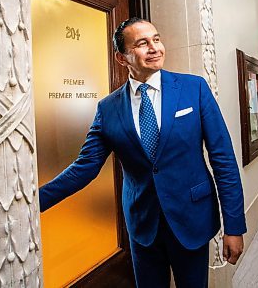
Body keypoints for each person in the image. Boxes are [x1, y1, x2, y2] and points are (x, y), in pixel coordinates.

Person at [39, 17, 246, 288]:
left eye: (156, 40)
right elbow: (84, 168)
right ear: (121, 57)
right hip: (142, 225)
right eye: (142, 43)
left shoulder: (193, 89)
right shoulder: (109, 108)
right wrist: (32, 204)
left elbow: (223, 159)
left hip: (191, 219)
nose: (154, 48)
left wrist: (234, 226)